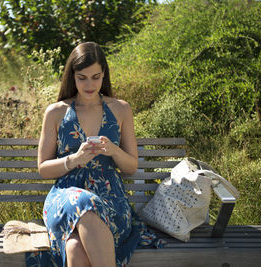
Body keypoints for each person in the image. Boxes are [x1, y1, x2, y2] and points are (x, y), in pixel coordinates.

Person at [26, 42, 162, 267]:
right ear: (72, 76)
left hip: (110, 198)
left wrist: (114, 150)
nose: (90, 84)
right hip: (65, 197)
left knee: (75, 248)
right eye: (82, 77)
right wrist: (74, 159)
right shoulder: (56, 112)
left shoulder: (120, 109)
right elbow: (43, 168)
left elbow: (131, 166)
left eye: (96, 77)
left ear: (104, 75)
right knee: (84, 202)